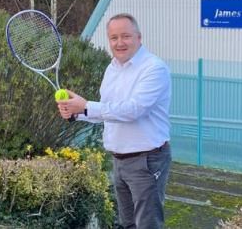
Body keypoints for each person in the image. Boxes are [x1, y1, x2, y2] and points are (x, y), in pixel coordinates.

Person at [57, 13, 171, 229]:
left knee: (147, 224)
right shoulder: (112, 68)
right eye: (113, 38)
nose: (119, 43)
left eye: (125, 36)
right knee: (127, 224)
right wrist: (76, 112)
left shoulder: (154, 68)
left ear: (139, 37)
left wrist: (86, 106)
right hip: (119, 160)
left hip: (147, 161)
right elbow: (110, 112)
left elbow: (134, 110)